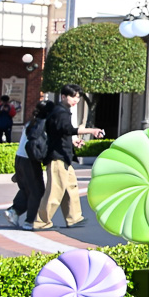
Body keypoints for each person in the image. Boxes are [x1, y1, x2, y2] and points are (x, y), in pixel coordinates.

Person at [32, 84, 101, 231]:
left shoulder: (60, 111)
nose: (76, 99)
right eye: (73, 96)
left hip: (64, 156)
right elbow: (67, 129)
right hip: (57, 157)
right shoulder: (60, 112)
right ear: (63, 96)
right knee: (55, 191)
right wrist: (92, 130)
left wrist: (74, 141)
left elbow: (60, 133)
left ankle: (74, 218)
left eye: (77, 97)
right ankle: (41, 221)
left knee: (71, 187)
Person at [7, 94, 52, 226]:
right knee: (37, 191)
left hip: (20, 158)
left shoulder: (30, 122)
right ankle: (29, 221)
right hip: (30, 160)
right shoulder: (42, 123)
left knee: (27, 189)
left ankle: (14, 211)